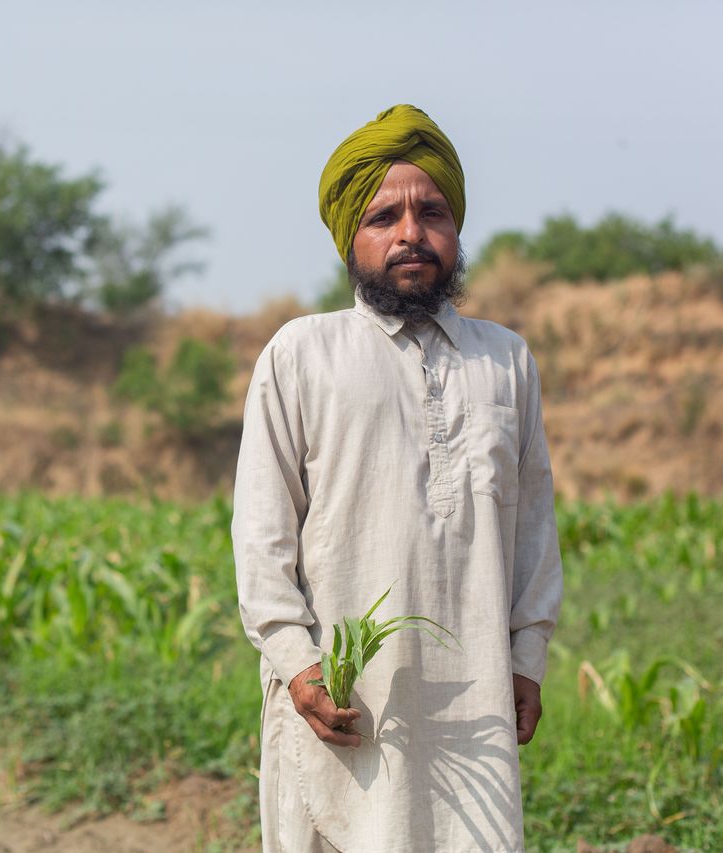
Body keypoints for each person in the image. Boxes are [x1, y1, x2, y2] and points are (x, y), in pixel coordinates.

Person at [231, 104, 563, 852]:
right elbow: (261, 537)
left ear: (456, 228)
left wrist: (526, 657)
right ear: (351, 236)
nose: (412, 232)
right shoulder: (300, 355)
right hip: (344, 705)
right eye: (385, 215)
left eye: (432, 211)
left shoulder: (506, 360)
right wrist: (297, 664)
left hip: (474, 704)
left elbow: (533, 529)